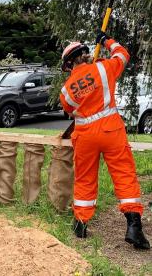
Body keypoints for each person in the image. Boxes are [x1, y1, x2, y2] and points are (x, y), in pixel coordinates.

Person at [59, 32, 150, 249]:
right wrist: (106, 41)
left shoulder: (66, 89)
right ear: (85, 54)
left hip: (85, 135)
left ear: (70, 64)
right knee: (124, 174)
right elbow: (123, 54)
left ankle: (81, 224)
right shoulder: (104, 67)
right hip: (111, 131)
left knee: (84, 178)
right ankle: (134, 226)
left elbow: (70, 110)